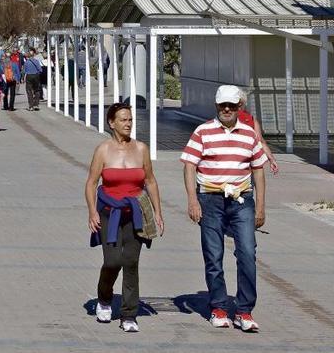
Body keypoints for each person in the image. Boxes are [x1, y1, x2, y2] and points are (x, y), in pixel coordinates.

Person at [180, 85, 268, 332]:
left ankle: (244, 310)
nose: (227, 109)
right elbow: (189, 166)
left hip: (242, 200)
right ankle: (218, 306)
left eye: (232, 105)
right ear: (216, 106)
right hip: (210, 199)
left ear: (239, 106)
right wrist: (192, 200)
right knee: (213, 255)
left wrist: (260, 205)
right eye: (222, 105)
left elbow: (258, 170)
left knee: (247, 253)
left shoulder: (249, 134)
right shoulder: (203, 132)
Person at [85, 103, 164, 332]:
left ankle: (129, 314)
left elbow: (150, 181)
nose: (128, 124)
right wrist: (92, 211)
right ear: (112, 123)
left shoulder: (141, 149)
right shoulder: (103, 150)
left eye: (130, 120)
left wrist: (158, 212)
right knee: (112, 261)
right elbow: (91, 183)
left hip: (135, 213)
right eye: (123, 120)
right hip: (109, 213)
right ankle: (104, 298)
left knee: (131, 262)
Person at [238, 91, 279, 175]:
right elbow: (260, 141)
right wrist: (272, 159)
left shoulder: (223, 118)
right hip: (246, 163)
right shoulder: (251, 119)